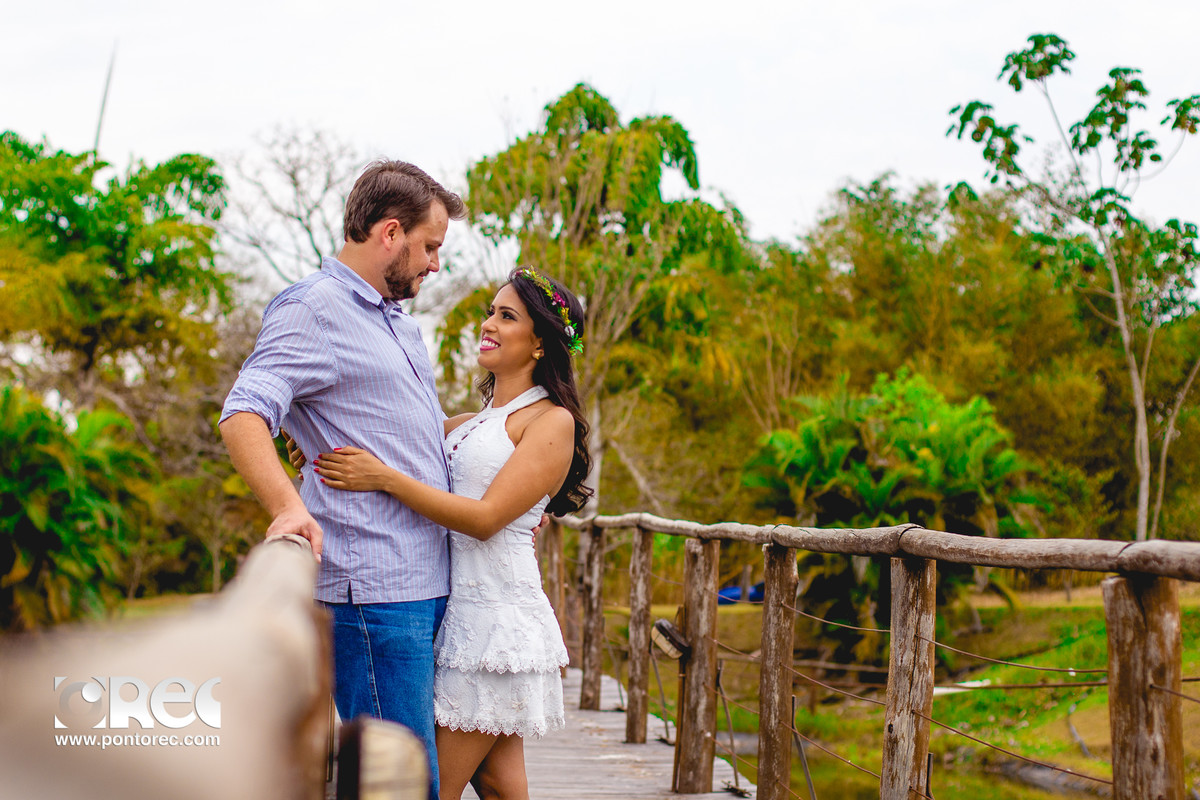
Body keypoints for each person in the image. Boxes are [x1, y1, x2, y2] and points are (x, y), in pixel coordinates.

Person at [218, 160, 466, 798]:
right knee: (400, 784)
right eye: (430, 246)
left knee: (429, 773)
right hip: (376, 592)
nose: (435, 263)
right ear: (391, 233)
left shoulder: (396, 320)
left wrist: (518, 440)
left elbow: (416, 436)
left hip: (431, 579)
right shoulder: (312, 311)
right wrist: (287, 506)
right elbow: (244, 413)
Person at [304, 267, 590, 800]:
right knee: (500, 785)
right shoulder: (473, 422)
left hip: (496, 622)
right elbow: (390, 443)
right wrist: (311, 444)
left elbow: (484, 519)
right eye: (491, 311)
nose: (489, 324)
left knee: (423, 787)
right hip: (462, 616)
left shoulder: (552, 421)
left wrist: (383, 479)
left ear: (539, 344)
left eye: (507, 317)